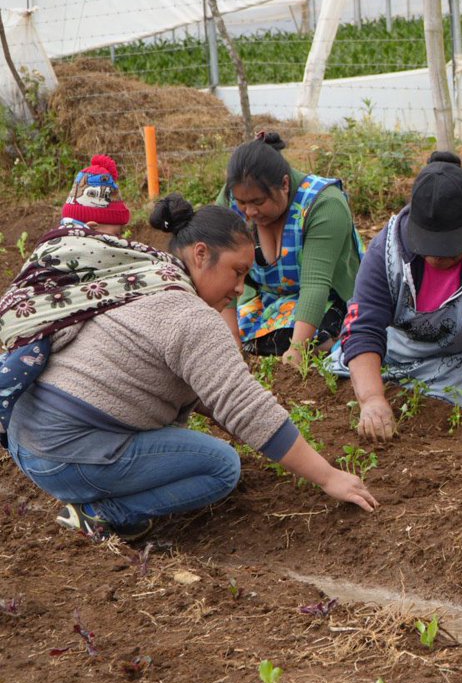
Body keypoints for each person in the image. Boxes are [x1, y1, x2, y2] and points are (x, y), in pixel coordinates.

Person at [4, 194, 378, 541]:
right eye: (237, 271)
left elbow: (216, 396)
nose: (239, 288)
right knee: (219, 466)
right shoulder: (190, 316)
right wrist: (329, 477)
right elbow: (243, 406)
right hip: (64, 455)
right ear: (201, 254)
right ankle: (102, 512)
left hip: (29, 438)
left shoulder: (145, 278)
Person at [332, 151, 462, 439]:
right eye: (426, 245)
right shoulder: (387, 247)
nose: (436, 259)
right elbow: (363, 325)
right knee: (359, 369)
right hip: (406, 348)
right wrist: (372, 400)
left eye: (448, 248)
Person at [0, 154, 132, 446]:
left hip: (44, 306)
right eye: (118, 233)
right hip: (34, 311)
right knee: (34, 354)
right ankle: (2, 399)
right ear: (95, 227)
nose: (122, 241)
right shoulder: (74, 243)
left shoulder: (83, 239)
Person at [220, 131, 362, 364]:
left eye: (258, 202)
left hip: (327, 297)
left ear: (284, 185)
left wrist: (297, 350)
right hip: (267, 301)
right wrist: (231, 339)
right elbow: (223, 270)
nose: (250, 212)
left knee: (312, 338)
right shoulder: (231, 201)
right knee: (217, 330)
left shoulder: (323, 205)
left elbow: (316, 284)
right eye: (242, 203)